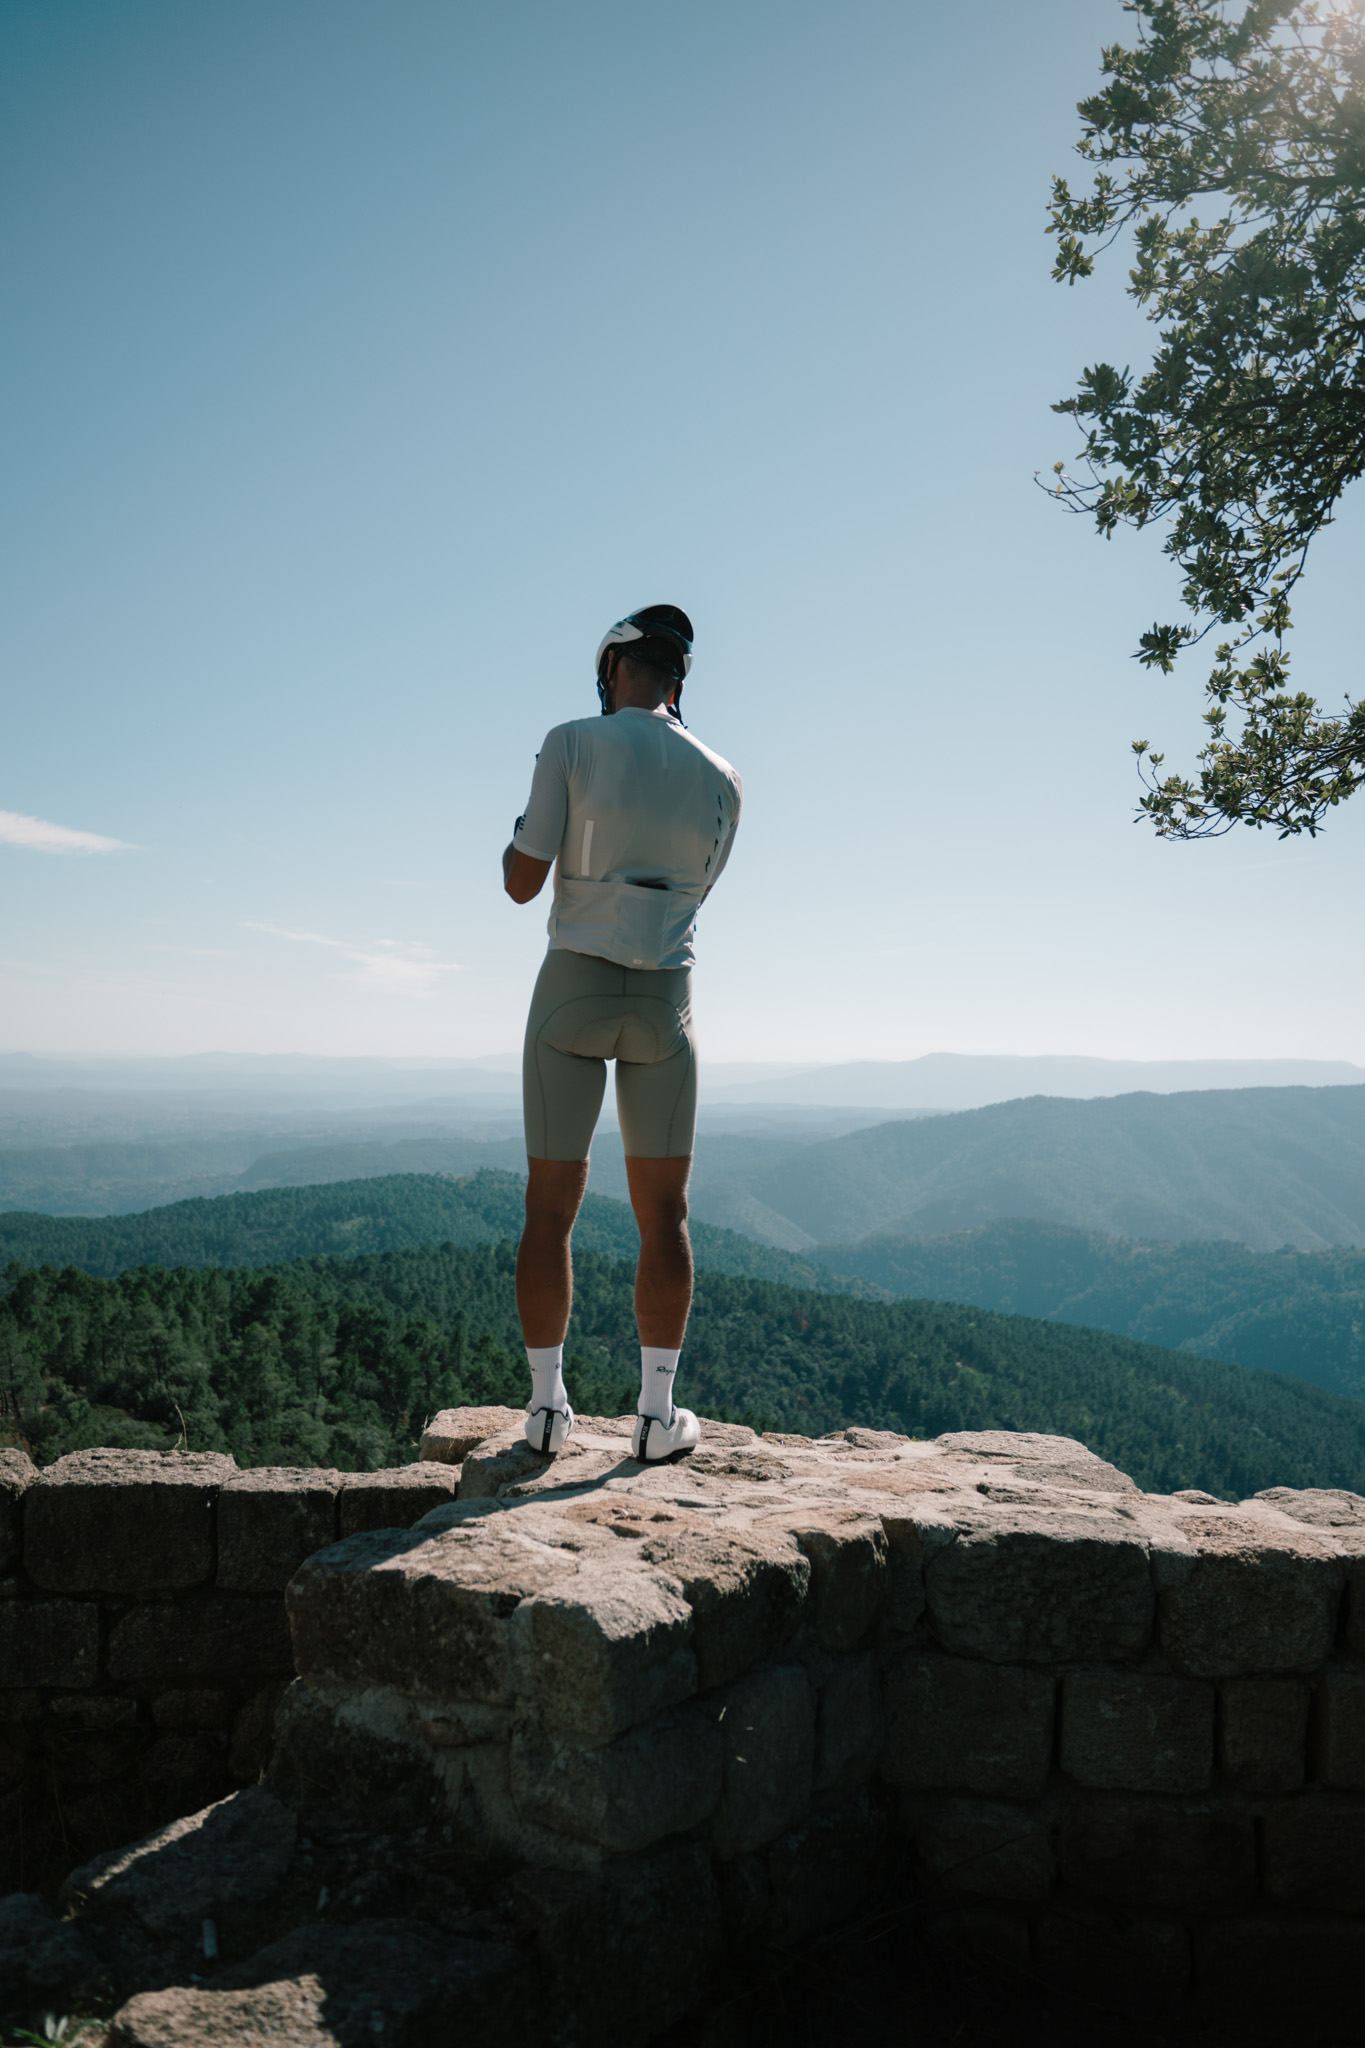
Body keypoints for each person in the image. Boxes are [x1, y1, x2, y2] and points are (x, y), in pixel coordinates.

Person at [502, 604, 743, 1461]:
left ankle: (544, 1411)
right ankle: (653, 1416)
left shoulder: (571, 741)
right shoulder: (724, 777)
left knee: (549, 1210)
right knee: (665, 1214)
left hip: (571, 987)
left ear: (611, 672)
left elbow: (522, 883)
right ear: (679, 681)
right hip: (664, 1002)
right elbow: (696, 895)